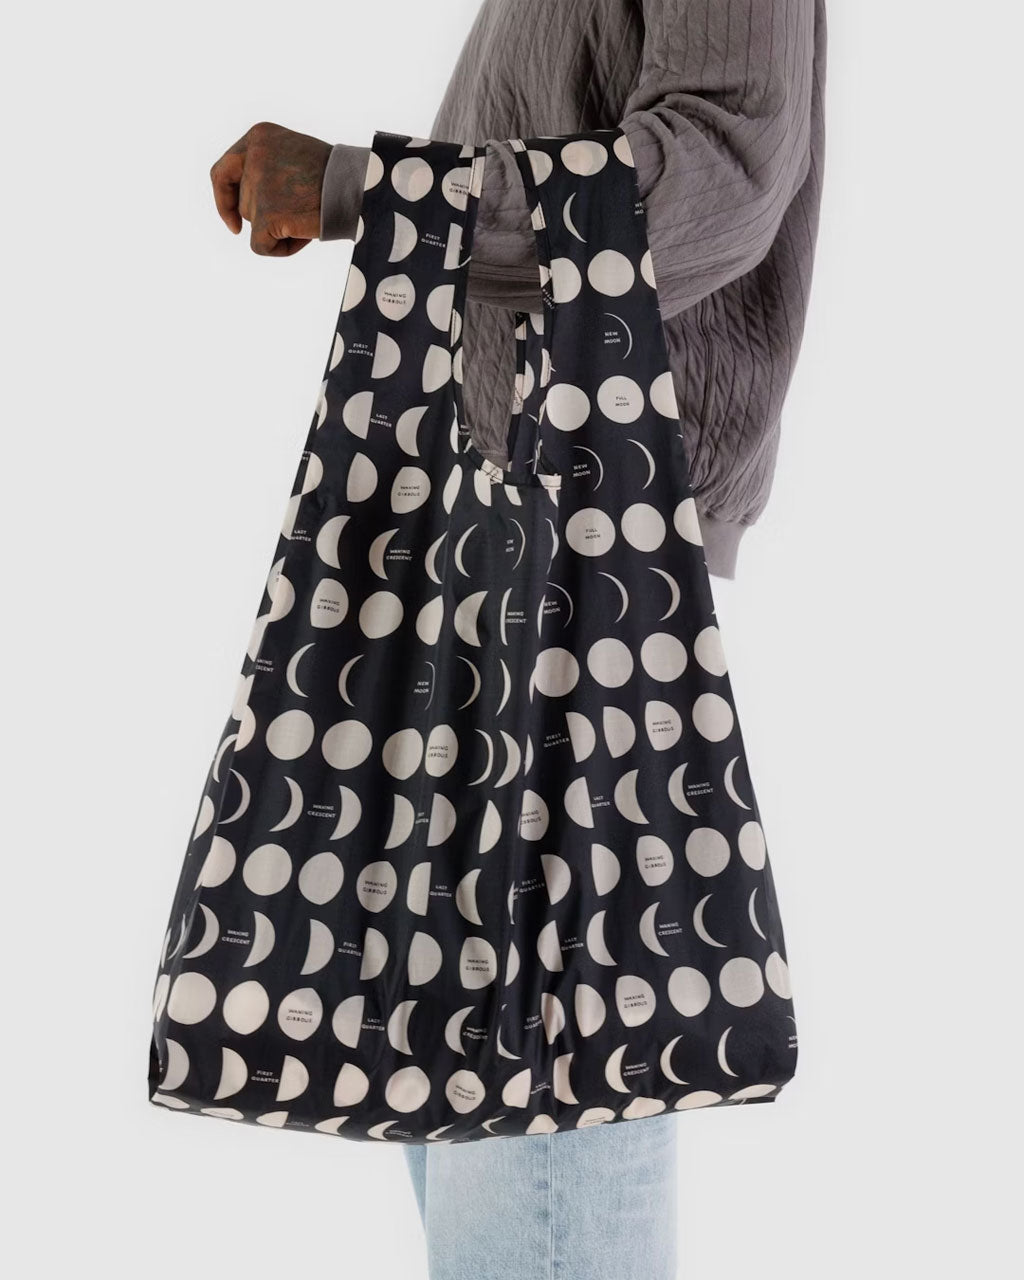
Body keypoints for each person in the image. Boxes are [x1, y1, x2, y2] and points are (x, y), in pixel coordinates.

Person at [208, 2, 826, 1275]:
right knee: (471, 1077)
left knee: (546, 1060)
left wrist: (367, 192)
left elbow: (717, 172)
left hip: (594, 516)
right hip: (487, 508)